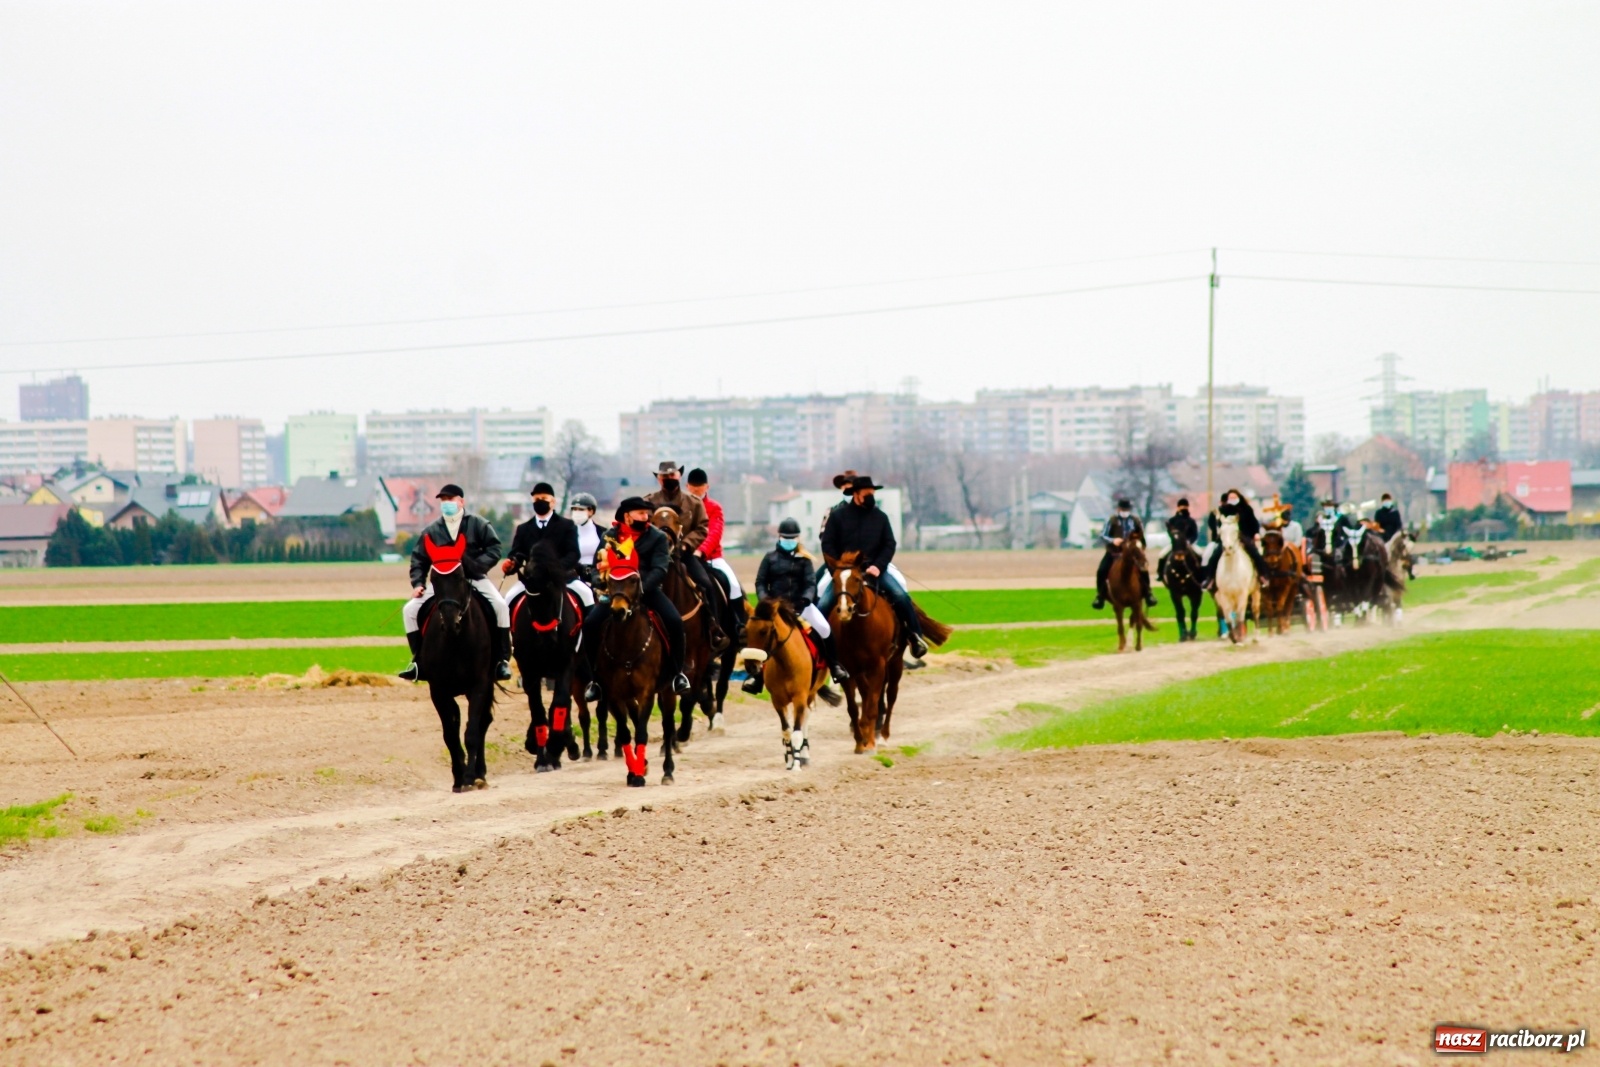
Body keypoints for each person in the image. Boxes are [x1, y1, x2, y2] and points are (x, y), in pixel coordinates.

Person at [399, 483, 511, 682]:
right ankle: (418, 661)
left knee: (501, 606)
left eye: (450, 499)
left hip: (473, 578)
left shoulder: (479, 524)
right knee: (409, 610)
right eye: (443, 500)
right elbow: (418, 560)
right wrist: (418, 583)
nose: (446, 503)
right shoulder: (431, 530)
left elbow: (494, 549)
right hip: (442, 583)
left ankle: (502, 660)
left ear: (461, 501)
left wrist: (475, 567)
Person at [581, 497, 690, 696]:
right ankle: (594, 679)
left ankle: (677, 673)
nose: (645, 516)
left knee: (675, 621)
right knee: (590, 624)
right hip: (617, 594)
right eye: (640, 513)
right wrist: (599, 581)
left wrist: (640, 588)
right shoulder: (609, 537)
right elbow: (597, 565)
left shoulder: (656, 537)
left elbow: (660, 568)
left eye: (646, 513)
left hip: (646, 591)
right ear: (627, 516)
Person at [816, 473, 929, 659]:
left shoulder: (880, 517)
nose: (870, 497)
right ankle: (819, 649)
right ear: (856, 494)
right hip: (844, 572)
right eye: (866, 493)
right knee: (823, 604)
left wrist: (878, 566)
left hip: (875, 570)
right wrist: (837, 568)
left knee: (901, 595)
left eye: (872, 493)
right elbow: (827, 544)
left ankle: (915, 637)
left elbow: (889, 544)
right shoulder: (837, 517)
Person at [747, 517, 848, 695]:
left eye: (792, 538)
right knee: (758, 632)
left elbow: (810, 583)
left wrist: (805, 599)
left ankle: (834, 667)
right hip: (775, 609)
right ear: (779, 537)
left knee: (824, 628)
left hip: (801, 606)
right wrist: (766, 600)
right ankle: (757, 677)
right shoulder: (769, 558)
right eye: (786, 538)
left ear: (798, 538)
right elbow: (760, 582)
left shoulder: (805, 560)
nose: (789, 541)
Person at [645, 461, 730, 650]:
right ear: (659, 478)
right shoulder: (648, 502)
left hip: (684, 555)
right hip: (655, 558)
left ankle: (713, 627)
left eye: (672, 476)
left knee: (706, 584)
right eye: (664, 476)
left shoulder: (693, 502)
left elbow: (702, 528)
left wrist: (685, 546)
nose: (668, 479)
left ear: (679, 476)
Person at [500, 481, 594, 608]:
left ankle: (587, 628)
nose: (540, 501)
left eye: (544, 498)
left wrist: (555, 569)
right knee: (509, 598)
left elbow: (573, 553)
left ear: (553, 502)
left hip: (563, 578)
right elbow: (517, 553)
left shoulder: (567, 525)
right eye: (536, 499)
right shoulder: (523, 528)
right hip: (531, 580)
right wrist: (511, 564)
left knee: (587, 595)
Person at [685, 467, 745, 640]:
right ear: (687, 486)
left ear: (707, 487)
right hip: (687, 557)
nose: (697, 489)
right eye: (693, 486)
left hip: (711, 558)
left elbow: (714, 533)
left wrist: (700, 551)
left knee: (733, 585)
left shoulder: (714, 508)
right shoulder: (682, 507)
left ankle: (738, 625)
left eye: (700, 486)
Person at [1092, 498, 1158, 610]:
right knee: (1102, 570)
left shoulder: (1135, 520)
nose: (1125, 511)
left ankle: (1148, 594)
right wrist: (1113, 540)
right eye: (1123, 509)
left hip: (1131, 552)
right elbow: (1102, 535)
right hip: (1114, 552)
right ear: (1118, 509)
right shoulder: (1111, 520)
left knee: (1143, 569)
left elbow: (1141, 535)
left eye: (1127, 509)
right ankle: (1100, 596)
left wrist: (1141, 547)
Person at [1202, 488, 1269, 589]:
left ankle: (1262, 576)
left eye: (1234, 497)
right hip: (1227, 538)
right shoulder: (1223, 510)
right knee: (1215, 555)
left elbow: (1254, 523)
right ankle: (1210, 579)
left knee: (1255, 553)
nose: (1232, 499)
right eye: (1230, 498)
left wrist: (1255, 533)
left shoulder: (1246, 509)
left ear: (1239, 497)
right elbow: (1214, 520)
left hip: (1244, 537)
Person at [1156, 496, 1199, 583]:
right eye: (1182, 506)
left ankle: (1201, 574)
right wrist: (1175, 541)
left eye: (1185, 506)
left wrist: (1190, 541)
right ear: (1178, 507)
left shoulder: (1191, 521)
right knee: (1162, 555)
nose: (1183, 507)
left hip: (1188, 543)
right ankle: (1160, 574)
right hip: (1175, 545)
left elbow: (1195, 534)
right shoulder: (1172, 520)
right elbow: (1170, 533)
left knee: (1200, 554)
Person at [567, 492, 603, 587]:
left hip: (598, 577)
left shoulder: (603, 533)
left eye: (581, 509)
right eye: (574, 509)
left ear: (591, 511)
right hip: (572, 578)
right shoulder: (566, 533)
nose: (577, 512)